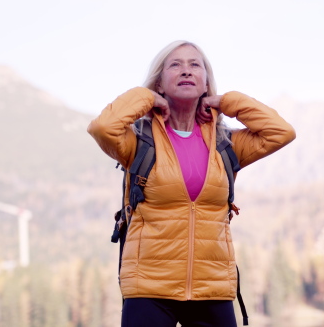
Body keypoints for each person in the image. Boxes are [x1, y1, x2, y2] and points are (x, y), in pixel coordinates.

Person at [87, 40, 296, 326]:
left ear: (205, 81)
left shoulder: (226, 144)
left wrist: (226, 102)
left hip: (213, 288)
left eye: (195, 65)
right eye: (175, 65)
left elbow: (281, 132)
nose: (186, 70)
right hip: (149, 287)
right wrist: (145, 98)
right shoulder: (139, 141)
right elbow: (101, 127)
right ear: (159, 83)